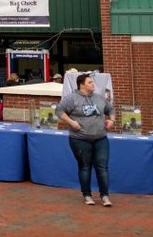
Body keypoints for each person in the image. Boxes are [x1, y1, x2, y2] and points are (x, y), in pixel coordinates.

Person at [56, 73, 116, 206]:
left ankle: (105, 196)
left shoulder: (99, 98)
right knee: (85, 167)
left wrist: (111, 120)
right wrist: (71, 122)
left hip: (100, 138)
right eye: (90, 82)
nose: (93, 84)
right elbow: (59, 110)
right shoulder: (72, 98)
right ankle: (87, 195)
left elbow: (110, 109)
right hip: (80, 139)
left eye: (92, 82)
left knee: (102, 167)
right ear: (81, 85)